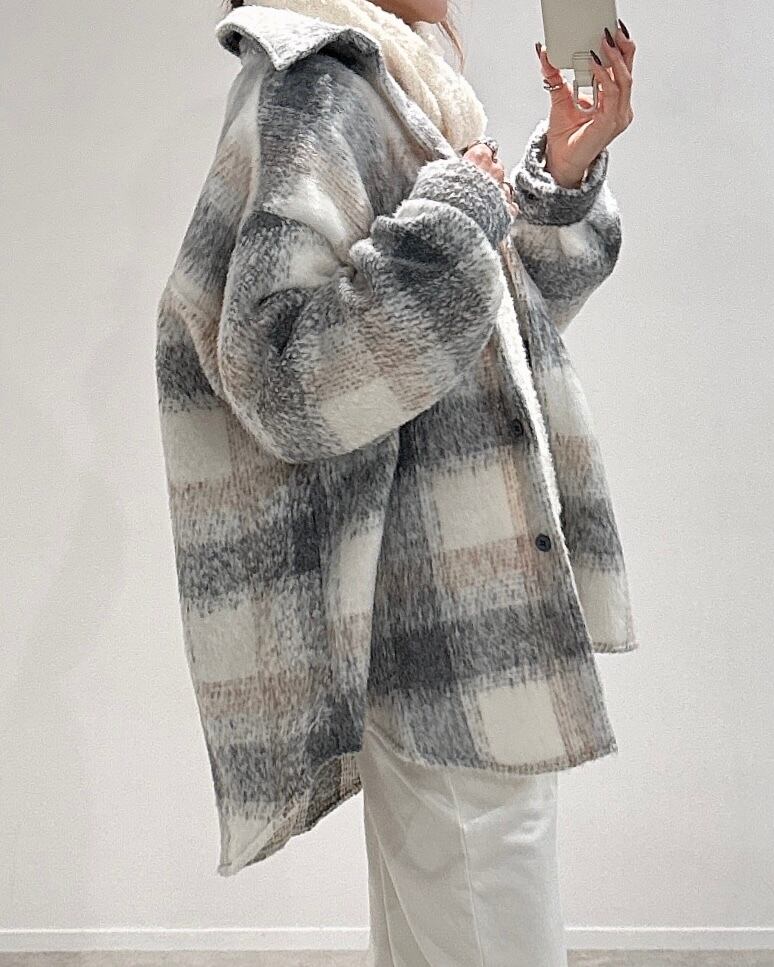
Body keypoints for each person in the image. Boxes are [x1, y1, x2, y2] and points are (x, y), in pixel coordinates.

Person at [154, 0, 636, 962]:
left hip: (465, 599)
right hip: (439, 612)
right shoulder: (313, 86)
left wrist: (557, 174)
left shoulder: (398, 84)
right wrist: (456, 216)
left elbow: (485, 339)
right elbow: (285, 378)